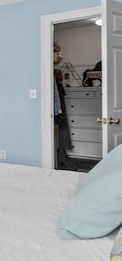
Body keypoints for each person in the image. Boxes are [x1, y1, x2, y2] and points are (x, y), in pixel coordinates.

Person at [54, 41, 75, 170]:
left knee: (59, 135)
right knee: (56, 136)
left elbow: (57, 94)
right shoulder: (49, 74)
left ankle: (61, 157)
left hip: (57, 111)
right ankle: (60, 159)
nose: (59, 55)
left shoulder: (54, 73)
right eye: (58, 53)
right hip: (55, 112)